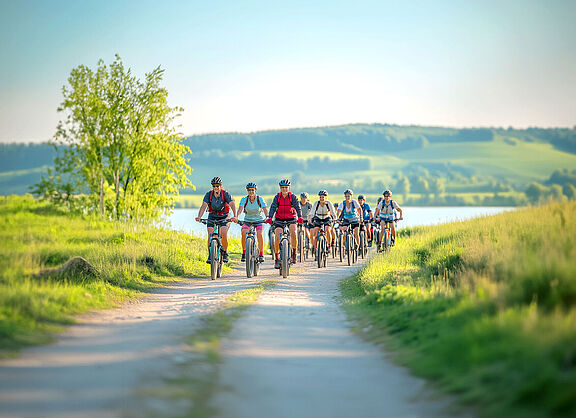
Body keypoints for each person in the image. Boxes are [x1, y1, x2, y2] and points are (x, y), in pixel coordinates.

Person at [195, 177, 237, 263]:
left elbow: (232, 204)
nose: (216, 187)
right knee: (210, 234)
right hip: (212, 216)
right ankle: (210, 255)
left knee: (223, 232)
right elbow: (204, 205)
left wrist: (235, 216)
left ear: (220, 186)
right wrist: (199, 216)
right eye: (214, 186)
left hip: (224, 216)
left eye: (217, 186)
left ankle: (225, 253)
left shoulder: (225, 194)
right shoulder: (209, 194)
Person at [266, 179, 304, 268]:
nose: (284, 189)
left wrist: (300, 216)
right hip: (279, 219)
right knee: (278, 237)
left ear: (289, 188)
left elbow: (298, 207)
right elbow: (273, 207)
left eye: (286, 187)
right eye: (282, 187)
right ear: (280, 188)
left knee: (294, 232)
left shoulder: (292, 197)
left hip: (291, 218)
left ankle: (294, 253)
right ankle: (276, 258)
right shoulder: (277, 197)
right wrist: (270, 217)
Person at [236, 182, 268, 263]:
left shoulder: (259, 199)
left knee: (259, 234)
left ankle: (261, 253)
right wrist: (237, 217)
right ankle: (244, 252)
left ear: (255, 190)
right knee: (244, 232)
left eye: (252, 190)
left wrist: (267, 217)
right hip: (247, 221)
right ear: (247, 191)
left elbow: (264, 209)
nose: (251, 192)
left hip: (258, 220)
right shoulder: (244, 199)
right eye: (249, 190)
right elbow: (240, 210)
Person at [308, 190, 337, 260]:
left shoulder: (328, 203)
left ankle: (329, 245)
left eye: (323, 197)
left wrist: (335, 218)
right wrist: (310, 219)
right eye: (320, 197)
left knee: (327, 230)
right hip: (318, 217)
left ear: (326, 198)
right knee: (315, 233)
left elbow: (333, 212)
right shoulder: (316, 203)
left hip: (327, 217)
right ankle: (316, 249)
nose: (322, 199)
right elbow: (312, 212)